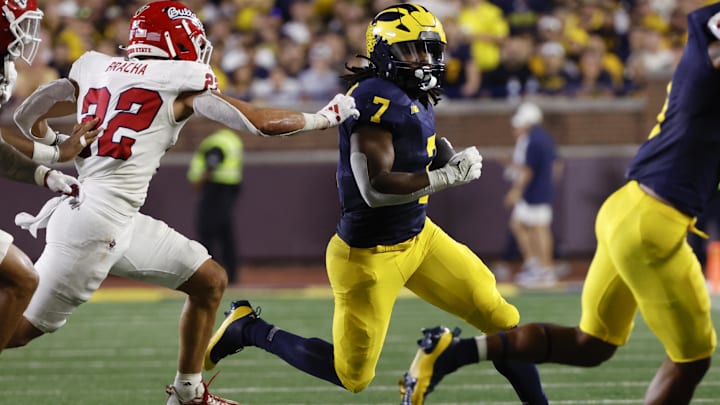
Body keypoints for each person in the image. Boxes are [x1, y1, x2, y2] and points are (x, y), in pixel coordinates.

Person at [3, 2, 358, 405]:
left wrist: (58, 146)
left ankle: (188, 393)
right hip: (95, 225)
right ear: (172, 42)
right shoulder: (181, 79)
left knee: (209, 281)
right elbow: (258, 122)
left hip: (111, 217)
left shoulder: (95, 67)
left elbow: (27, 115)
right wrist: (325, 118)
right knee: (15, 331)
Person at [203, 4, 547, 405]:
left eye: (429, 49)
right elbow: (376, 188)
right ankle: (249, 329)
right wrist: (447, 176)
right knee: (352, 376)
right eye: (414, 50)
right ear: (385, 52)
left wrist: (448, 156)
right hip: (368, 257)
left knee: (502, 319)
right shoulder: (372, 99)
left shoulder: (411, 92)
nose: (426, 60)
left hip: (420, 239)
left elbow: (421, 142)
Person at [400, 3, 720, 404]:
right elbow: (704, 21)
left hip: (627, 207)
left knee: (592, 345)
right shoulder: (706, 68)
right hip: (654, 224)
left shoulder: (699, 64)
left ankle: (454, 352)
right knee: (692, 360)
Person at [0, 0, 100, 353]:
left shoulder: (6, 70)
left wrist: (46, 173)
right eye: (22, 23)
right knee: (22, 278)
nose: (29, 34)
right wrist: (55, 157)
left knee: (21, 279)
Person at [502, 101, 560, 287]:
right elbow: (556, 165)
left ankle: (545, 269)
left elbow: (528, 171)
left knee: (539, 228)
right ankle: (537, 266)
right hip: (540, 189)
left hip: (535, 191)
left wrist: (515, 192)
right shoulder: (543, 138)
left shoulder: (534, 140)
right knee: (520, 224)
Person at [187, 128, 244, 285]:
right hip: (230, 190)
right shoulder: (233, 140)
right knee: (226, 234)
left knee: (206, 232)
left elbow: (212, 162)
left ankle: (209, 274)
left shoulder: (216, 141)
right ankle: (231, 275)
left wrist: (199, 181)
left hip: (214, 189)